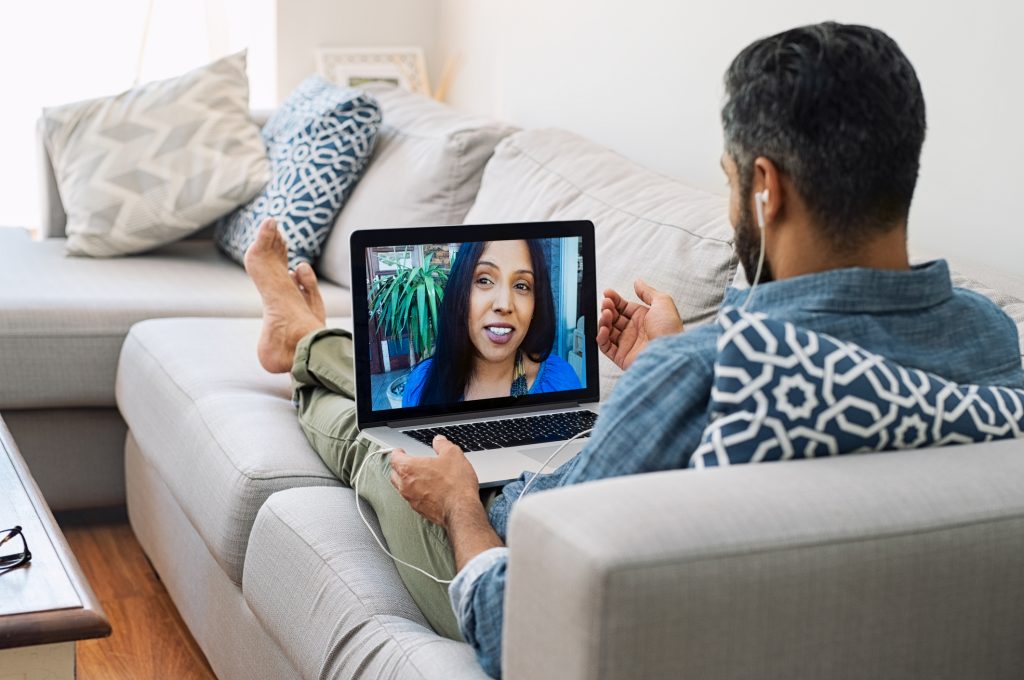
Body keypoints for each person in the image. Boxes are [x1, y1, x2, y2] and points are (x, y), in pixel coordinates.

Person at [245, 22, 1024, 678]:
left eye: (727, 183)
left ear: (765, 188)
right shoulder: (993, 340)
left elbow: (519, 618)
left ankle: (304, 337)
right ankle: (309, 338)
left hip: (508, 548)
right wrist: (673, 354)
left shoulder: (710, 375)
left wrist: (457, 505)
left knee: (377, 448)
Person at [399, 239, 581, 408]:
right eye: (484, 280)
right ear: (460, 293)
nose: (504, 305)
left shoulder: (561, 382)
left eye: (521, 285)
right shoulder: (422, 384)